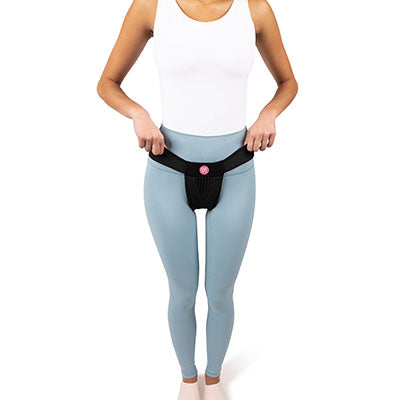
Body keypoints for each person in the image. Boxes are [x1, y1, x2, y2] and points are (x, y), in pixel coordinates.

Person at [97, 0, 297, 398]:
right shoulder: (151, 7)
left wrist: (269, 113)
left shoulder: (255, 9)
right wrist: (138, 113)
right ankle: (188, 381)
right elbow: (107, 82)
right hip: (168, 169)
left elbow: (288, 82)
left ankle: (215, 378)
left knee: (220, 294)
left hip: (235, 168)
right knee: (183, 291)